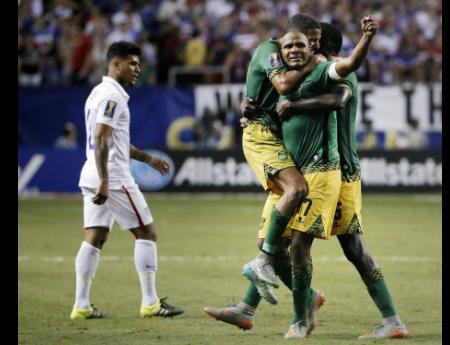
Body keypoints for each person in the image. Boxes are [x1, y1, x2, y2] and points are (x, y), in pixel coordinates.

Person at [276, 22, 408, 340]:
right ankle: (391, 321)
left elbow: (337, 100)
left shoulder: (338, 73)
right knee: (349, 249)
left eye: (312, 43)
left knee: (294, 243)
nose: (307, 48)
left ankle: (301, 316)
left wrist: (292, 106)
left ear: (321, 46)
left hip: (337, 171)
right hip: (337, 170)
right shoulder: (320, 73)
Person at [205, 15, 327, 334]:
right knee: (295, 192)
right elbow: (283, 85)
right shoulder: (272, 51)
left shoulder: (302, 60)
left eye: (316, 41)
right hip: (261, 136)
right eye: (307, 39)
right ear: (287, 37)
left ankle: (247, 309)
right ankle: (269, 271)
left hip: (280, 140)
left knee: (270, 238)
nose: (313, 46)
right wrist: (317, 60)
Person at [70, 41, 184, 320]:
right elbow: (100, 137)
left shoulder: (98, 92)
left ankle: (81, 306)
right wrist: (106, 180)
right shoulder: (112, 96)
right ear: (115, 64)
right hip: (113, 176)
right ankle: (151, 303)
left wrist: (147, 159)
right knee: (147, 233)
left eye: (138, 63)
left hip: (93, 172)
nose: (138, 69)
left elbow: (116, 139)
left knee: (94, 237)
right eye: (132, 63)